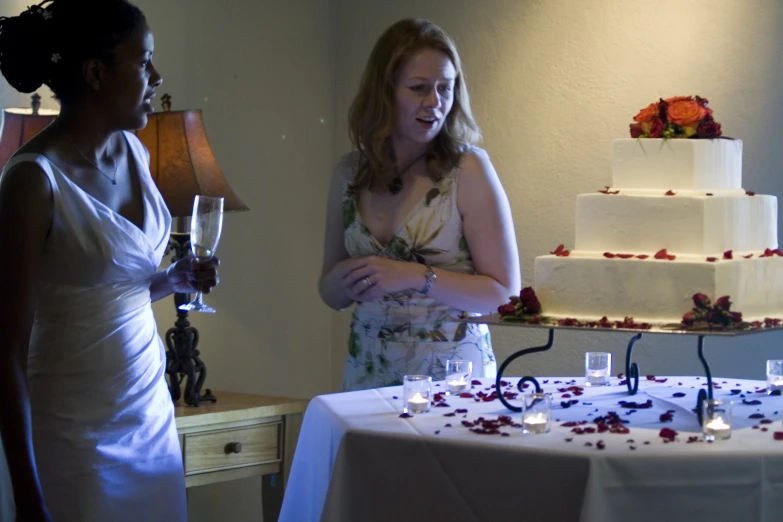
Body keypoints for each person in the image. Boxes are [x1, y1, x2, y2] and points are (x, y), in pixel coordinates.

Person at [0, 1, 219, 520]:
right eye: (144, 62)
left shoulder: (136, 153)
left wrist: (171, 278)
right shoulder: (32, 181)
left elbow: (106, 290)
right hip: (71, 436)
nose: (157, 76)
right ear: (96, 73)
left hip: (149, 419)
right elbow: (4, 349)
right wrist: (26, 493)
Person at [319, 18, 521, 391]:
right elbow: (329, 293)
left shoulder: (468, 169)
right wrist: (352, 278)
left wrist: (413, 276)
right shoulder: (350, 172)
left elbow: (504, 293)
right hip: (367, 375)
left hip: (452, 380)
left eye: (446, 88)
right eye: (419, 88)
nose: (435, 103)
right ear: (385, 92)